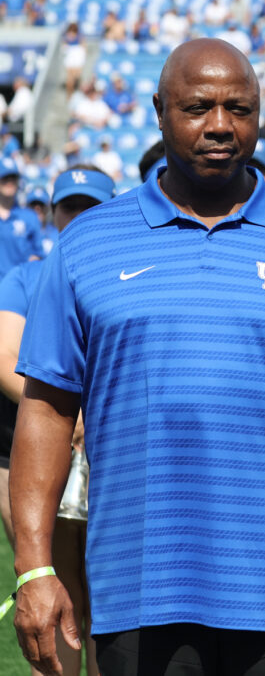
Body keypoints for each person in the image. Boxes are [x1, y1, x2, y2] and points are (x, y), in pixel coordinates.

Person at [10, 39, 265, 676]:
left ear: (260, 114)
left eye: (238, 108)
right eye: (197, 107)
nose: (219, 125)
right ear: (160, 111)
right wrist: (35, 568)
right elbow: (47, 412)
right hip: (139, 594)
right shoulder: (87, 245)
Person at [0, 165, 115, 676]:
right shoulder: (25, 276)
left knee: (112, 597)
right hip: (47, 446)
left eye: (91, 207)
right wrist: (67, 411)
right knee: (53, 586)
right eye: (70, 207)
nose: (78, 218)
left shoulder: (128, 276)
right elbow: (4, 357)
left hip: (114, 451)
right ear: (51, 214)